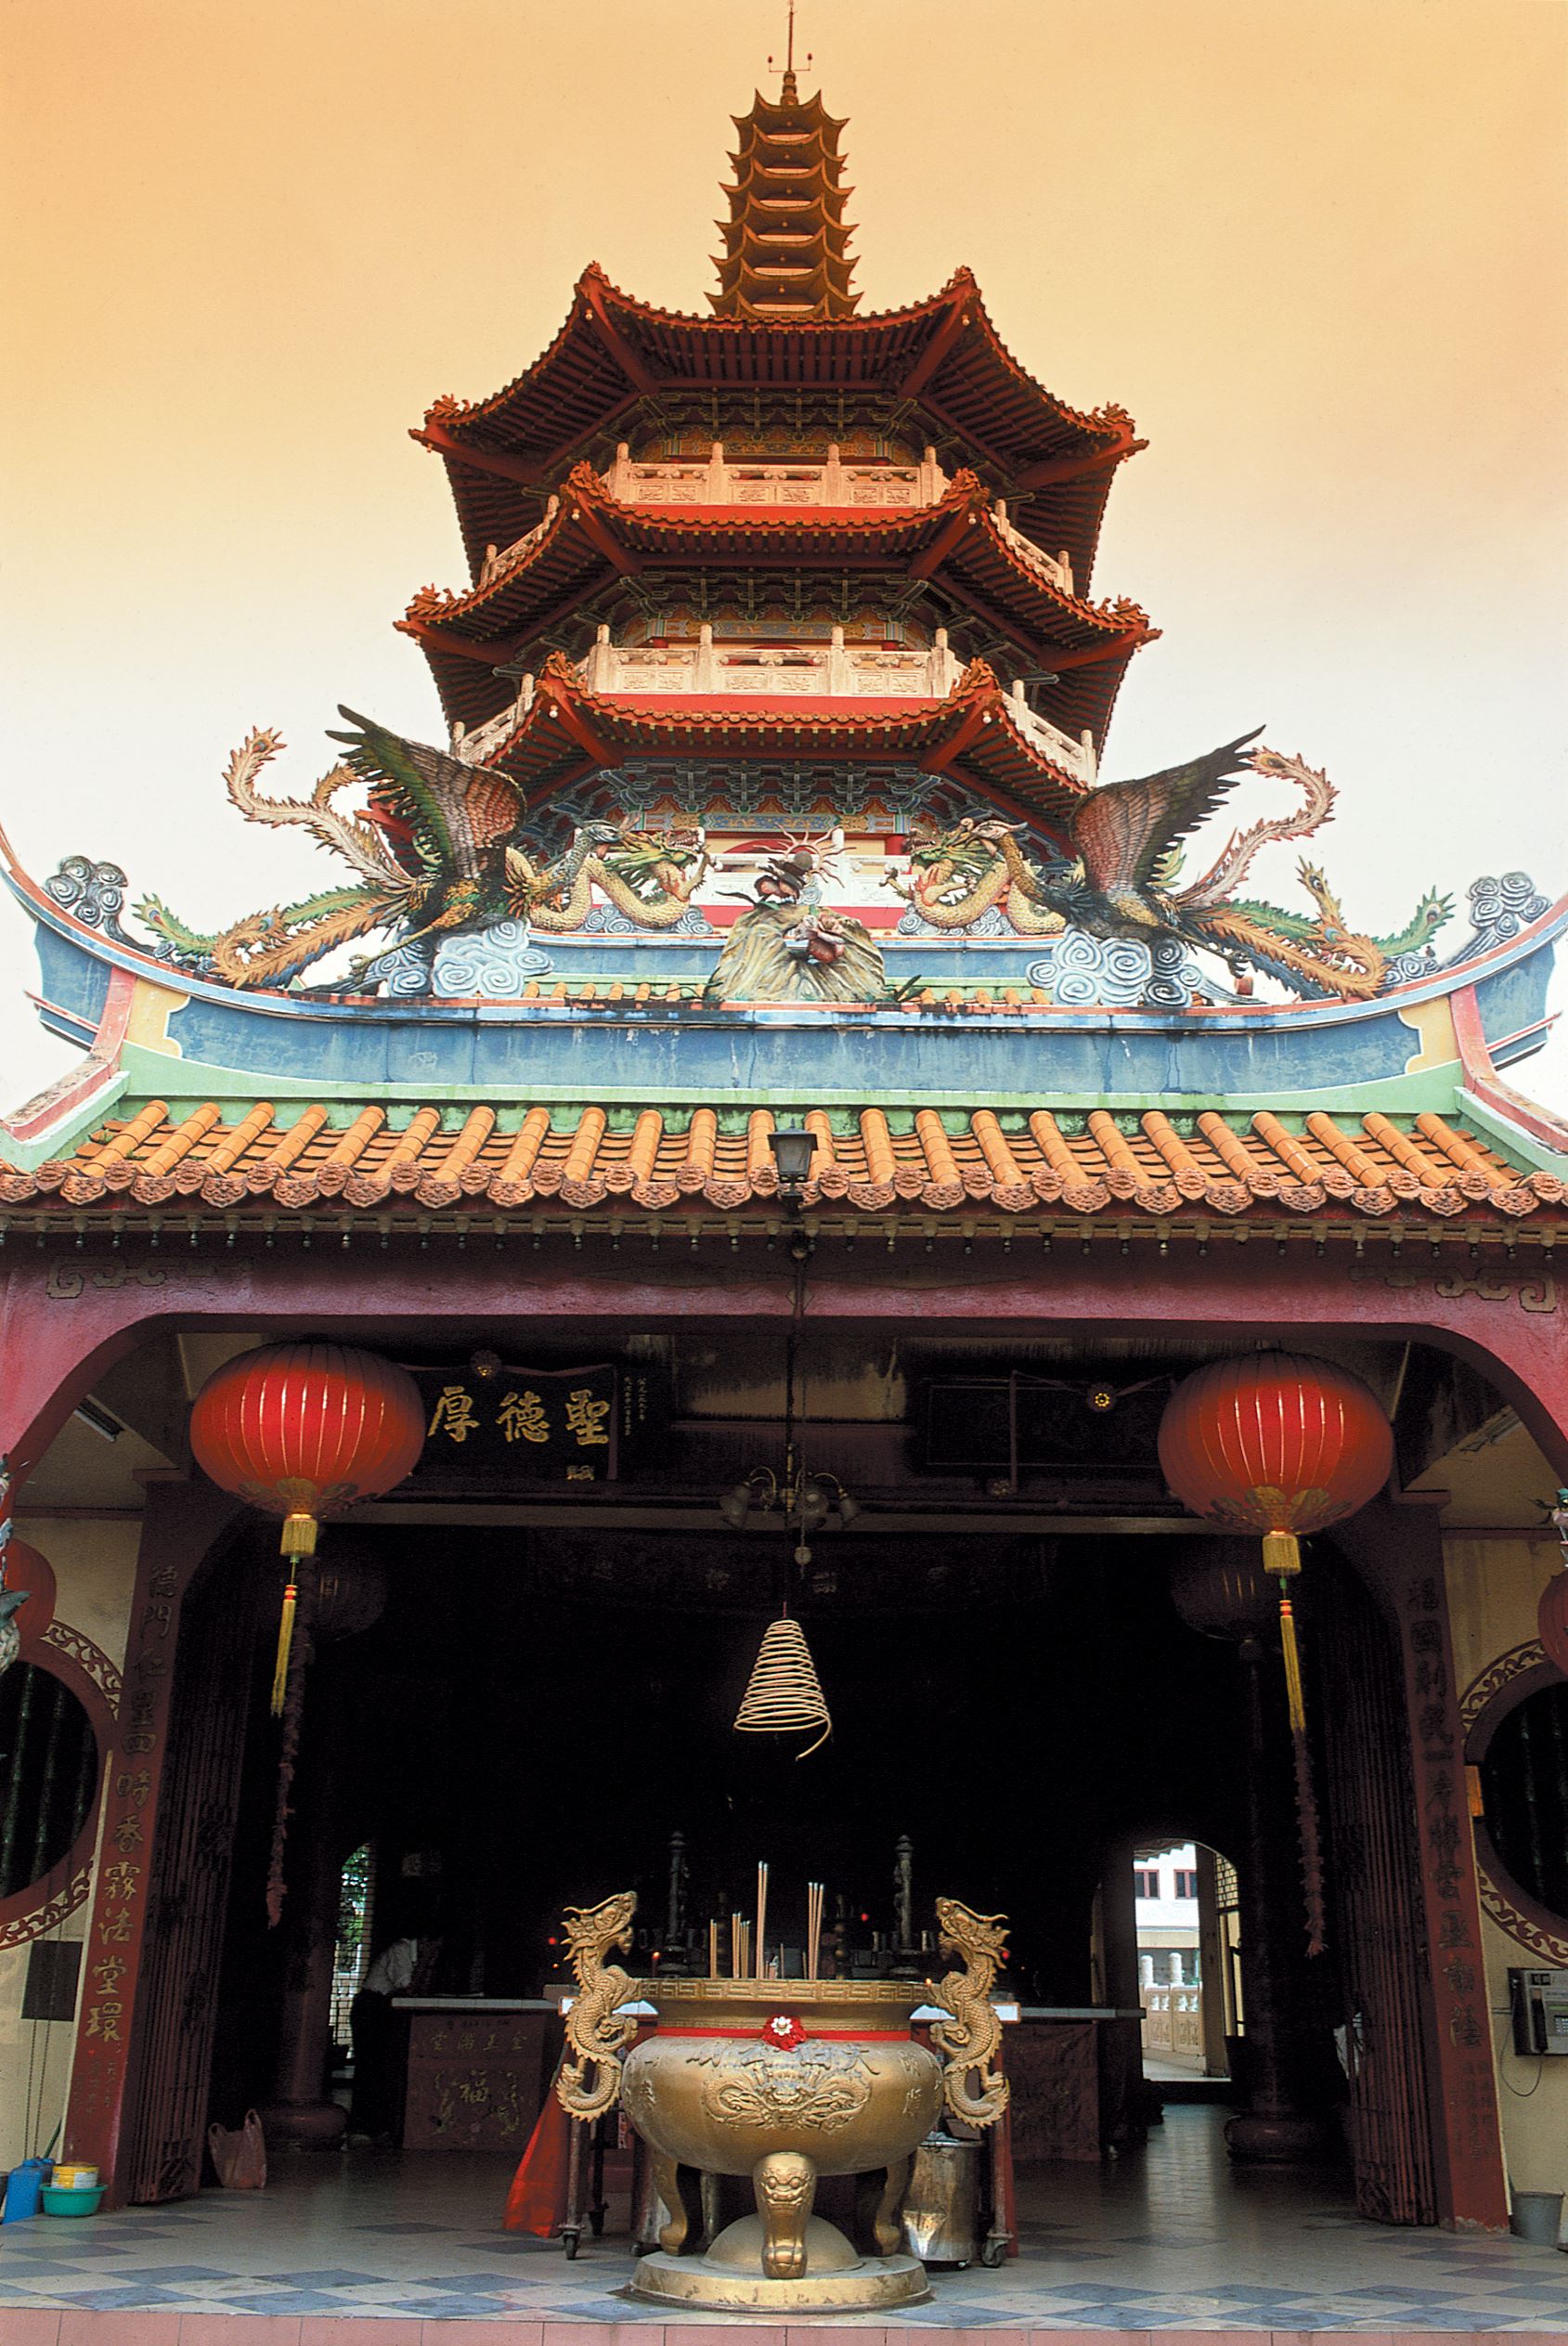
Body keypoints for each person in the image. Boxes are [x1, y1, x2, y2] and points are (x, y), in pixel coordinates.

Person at [348, 1926, 440, 2143]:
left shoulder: (416, 1955)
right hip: (372, 2009)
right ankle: (363, 2125)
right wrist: (425, 1964)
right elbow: (406, 1986)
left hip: (386, 2013)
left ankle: (381, 2125)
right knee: (370, 2066)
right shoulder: (401, 1950)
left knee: (385, 2068)